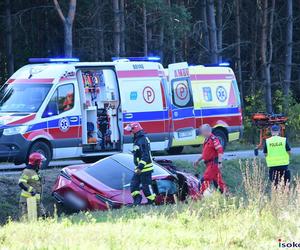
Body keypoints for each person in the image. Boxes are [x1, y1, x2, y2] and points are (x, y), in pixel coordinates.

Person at [124, 122, 156, 205]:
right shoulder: (138, 139)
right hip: (139, 168)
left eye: (131, 131)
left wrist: (140, 167)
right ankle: (137, 201)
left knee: (146, 187)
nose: (130, 134)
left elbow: (145, 155)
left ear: (135, 130)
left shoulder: (142, 140)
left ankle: (152, 202)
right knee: (134, 185)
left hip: (145, 168)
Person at [194, 124, 227, 195]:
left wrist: (220, 163)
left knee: (205, 180)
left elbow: (220, 151)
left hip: (213, 164)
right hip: (209, 164)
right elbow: (205, 153)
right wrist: (198, 160)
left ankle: (199, 196)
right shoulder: (207, 140)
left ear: (206, 131)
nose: (201, 134)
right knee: (218, 182)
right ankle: (226, 195)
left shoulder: (214, 139)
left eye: (202, 132)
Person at [19, 152, 47, 219]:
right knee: (28, 219)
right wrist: (31, 190)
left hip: (37, 201)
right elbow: (21, 183)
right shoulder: (27, 171)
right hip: (28, 201)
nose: (41, 163)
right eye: (40, 162)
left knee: (45, 217)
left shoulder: (35, 171)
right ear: (36, 162)